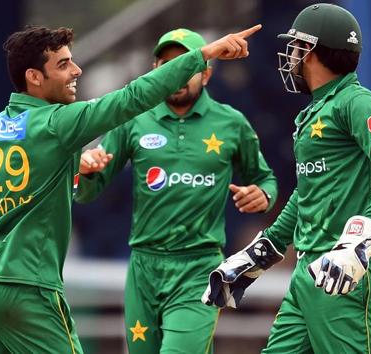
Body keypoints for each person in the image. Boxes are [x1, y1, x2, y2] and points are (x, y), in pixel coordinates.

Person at [0, 24, 262, 354]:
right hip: (29, 288)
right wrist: (204, 54)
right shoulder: (59, 122)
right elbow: (133, 97)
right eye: (63, 64)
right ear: (34, 77)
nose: (76, 70)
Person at [202, 4, 371, 354]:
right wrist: (262, 250)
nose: (291, 56)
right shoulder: (315, 110)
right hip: (308, 267)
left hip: (346, 269)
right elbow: (307, 193)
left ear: (312, 52)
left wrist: (359, 240)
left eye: (296, 47)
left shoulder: (356, 102)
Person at [74, 28, 278, 354]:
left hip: (199, 268)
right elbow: (86, 192)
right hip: (143, 268)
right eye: (166, 64)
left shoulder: (231, 123)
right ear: (156, 71)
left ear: (207, 74)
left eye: (184, 64)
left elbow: (266, 180)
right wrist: (84, 171)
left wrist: (263, 195)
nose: (175, 73)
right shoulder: (134, 120)